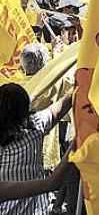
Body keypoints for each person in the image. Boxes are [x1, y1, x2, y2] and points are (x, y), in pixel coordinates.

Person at [0, 83, 73, 214]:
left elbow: (60, 108)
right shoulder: (35, 128)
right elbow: (53, 183)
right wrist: (77, 142)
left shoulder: (34, 126)